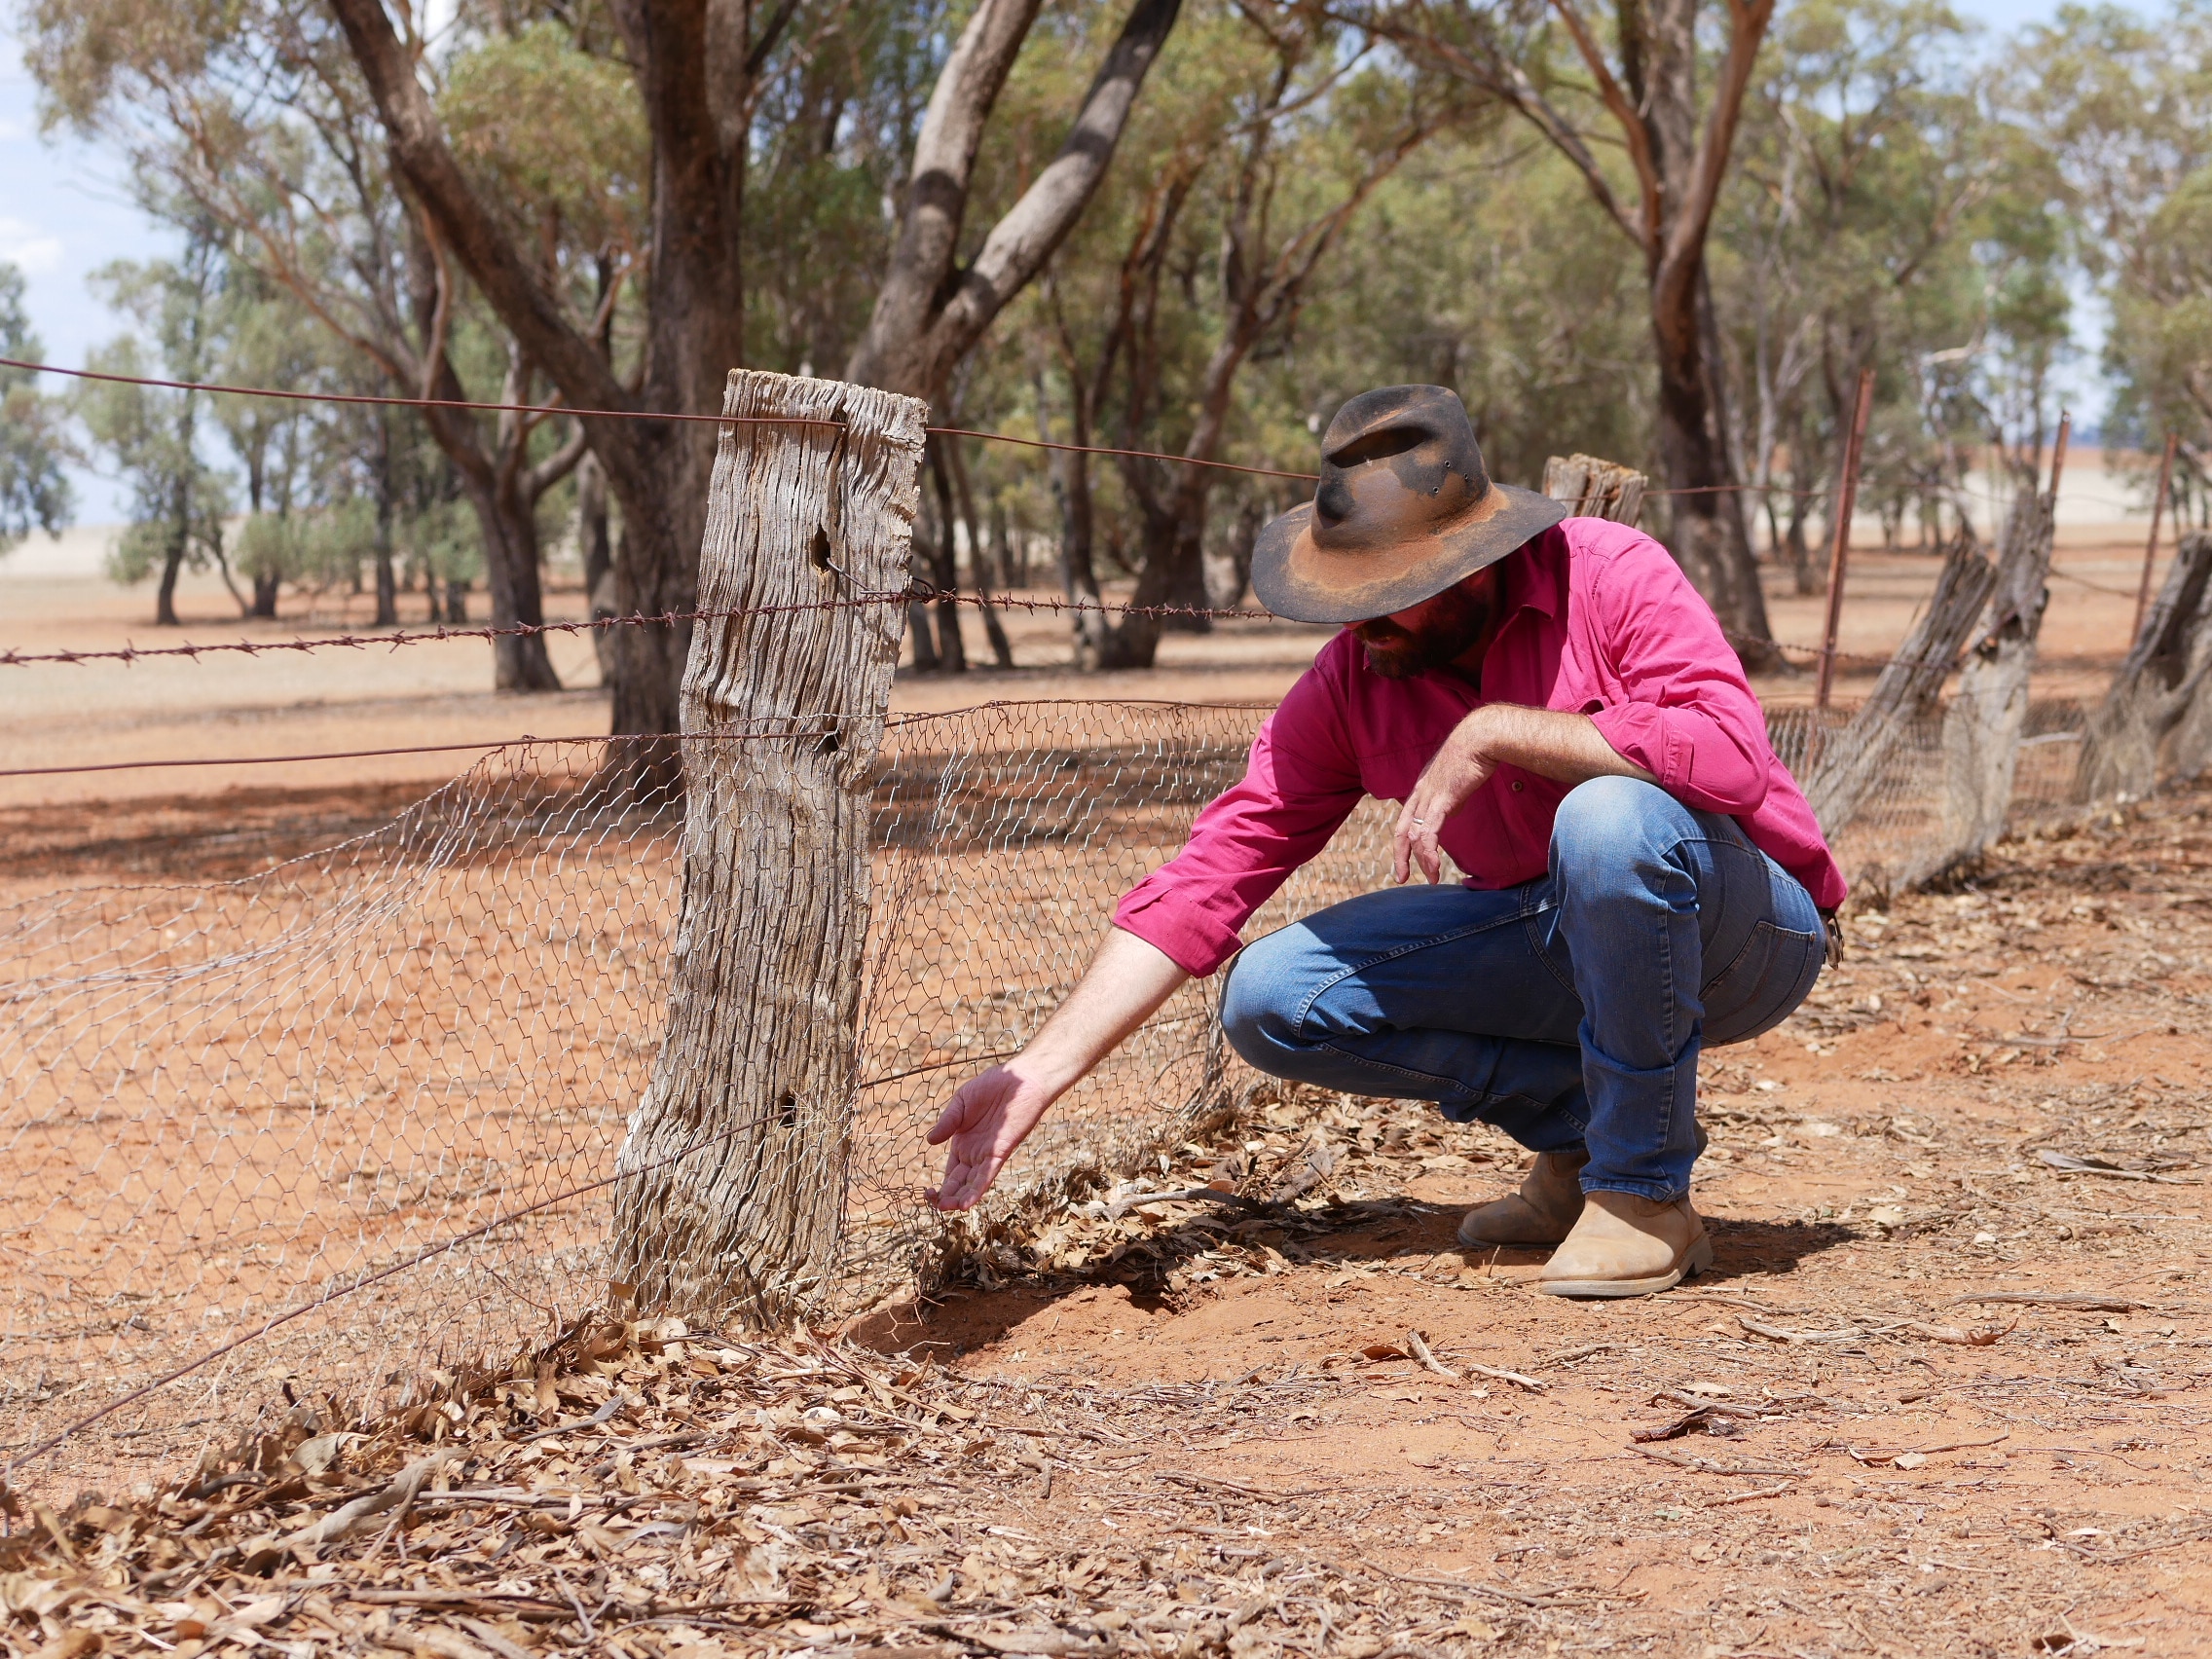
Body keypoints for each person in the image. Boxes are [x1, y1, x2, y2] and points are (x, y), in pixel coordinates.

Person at [926, 386, 1846, 1298]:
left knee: (1607, 819)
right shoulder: (1356, 677)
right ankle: (1581, 1138)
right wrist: (1037, 1074)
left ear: (1472, 565)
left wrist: (1498, 730)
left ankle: (1645, 1191)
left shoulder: (1609, 572)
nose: (1363, 622)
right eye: (1349, 593)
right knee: (1273, 997)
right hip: (1554, 933)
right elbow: (1212, 872)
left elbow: (1732, 760)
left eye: (1392, 592)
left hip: (1746, 931)